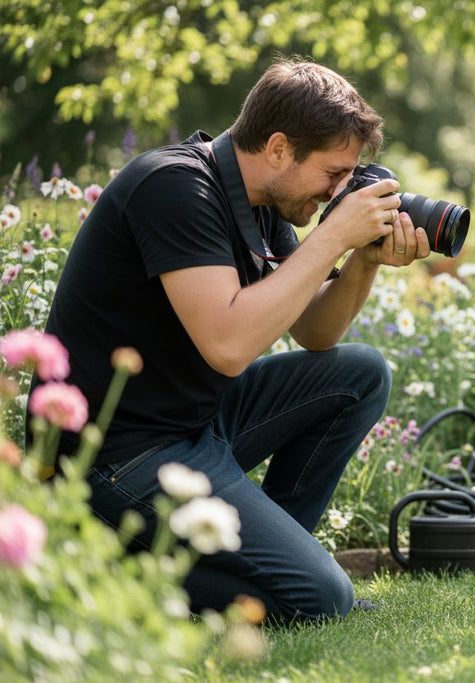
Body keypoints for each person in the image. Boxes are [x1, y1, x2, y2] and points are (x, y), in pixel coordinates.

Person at [37, 57, 434, 622]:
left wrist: (362, 259)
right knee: (323, 599)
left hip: (195, 426)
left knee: (359, 372)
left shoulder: (263, 201)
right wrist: (332, 238)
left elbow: (315, 333)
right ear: (278, 148)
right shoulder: (174, 186)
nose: (339, 191)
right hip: (117, 457)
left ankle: (276, 560)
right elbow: (227, 344)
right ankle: (116, 573)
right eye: (332, 173)